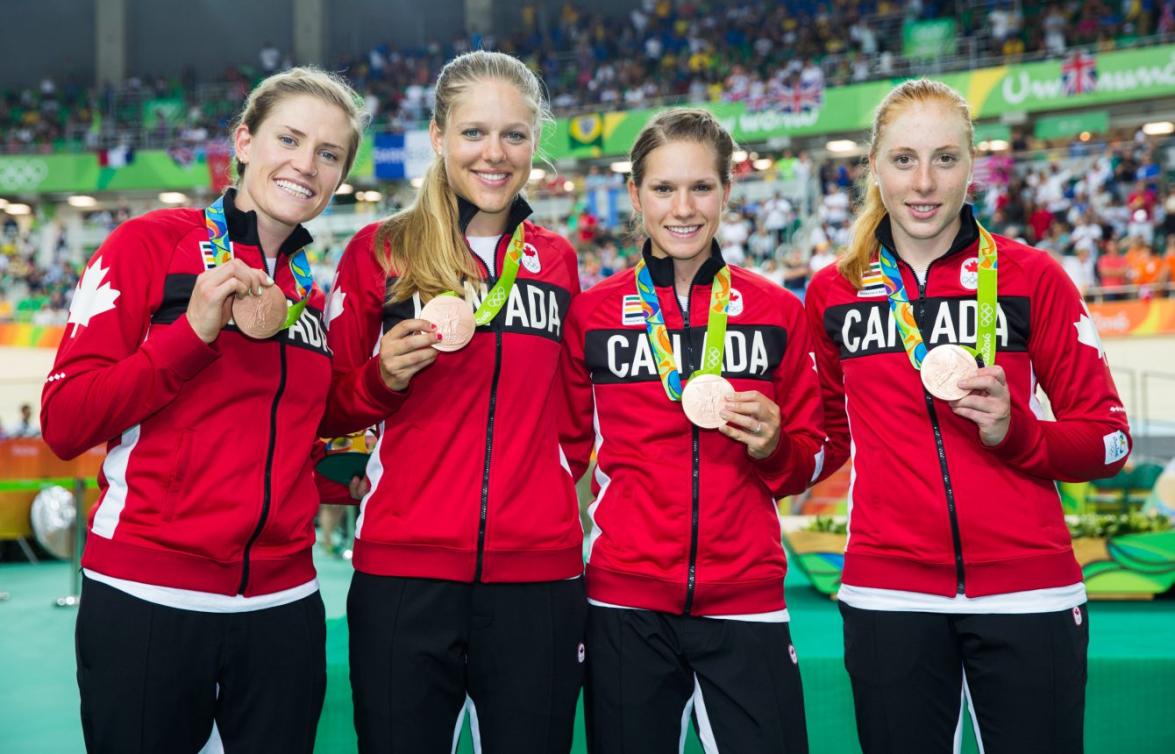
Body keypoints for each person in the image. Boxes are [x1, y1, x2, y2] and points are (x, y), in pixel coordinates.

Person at [40, 67, 367, 753]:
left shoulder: (314, 288)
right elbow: (66, 421)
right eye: (289, 138)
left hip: (284, 607)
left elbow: (301, 434)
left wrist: (375, 402)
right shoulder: (148, 245)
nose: (305, 164)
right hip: (147, 598)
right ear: (243, 142)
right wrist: (189, 336)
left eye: (329, 153)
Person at [805, 79, 1132, 753]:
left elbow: (1110, 440)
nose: (922, 182)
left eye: (944, 159)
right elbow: (822, 444)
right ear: (873, 167)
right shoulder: (832, 293)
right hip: (887, 594)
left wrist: (1017, 432)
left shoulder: (1030, 275)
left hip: (1028, 591)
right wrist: (766, 445)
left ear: (971, 165)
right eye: (902, 160)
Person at [319, 50, 585, 753]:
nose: (493, 154)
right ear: (437, 137)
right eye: (472, 133)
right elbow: (324, 409)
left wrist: (548, 491)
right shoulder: (380, 251)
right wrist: (381, 378)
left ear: (534, 142)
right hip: (404, 574)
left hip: (538, 574)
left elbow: (574, 414)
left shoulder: (558, 261)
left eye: (514, 135)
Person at [560, 108, 823, 752]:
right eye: (663, 188)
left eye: (701, 187)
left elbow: (810, 458)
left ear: (727, 193)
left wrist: (774, 447)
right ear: (635, 196)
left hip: (746, 597)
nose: (684, 207)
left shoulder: (779, 312)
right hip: (625, 602)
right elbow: (562, 455)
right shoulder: (592, 313)